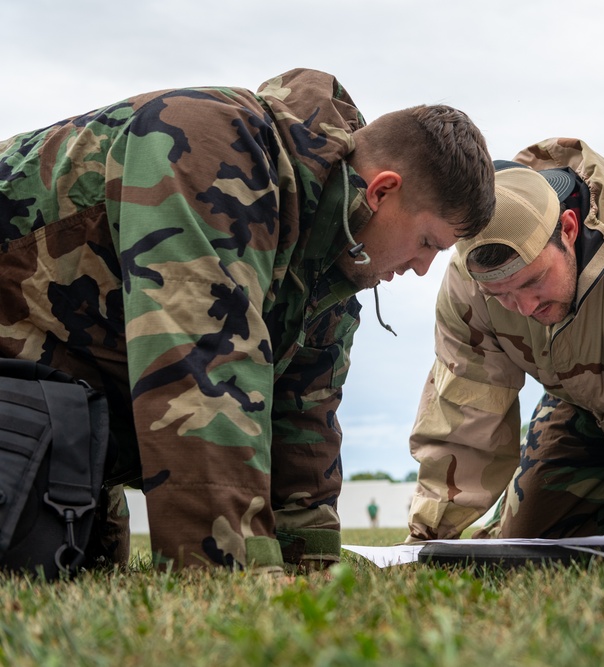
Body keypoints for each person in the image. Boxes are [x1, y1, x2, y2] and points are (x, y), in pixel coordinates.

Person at [0, 68, 494, 572]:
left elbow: (304, 414)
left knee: (77, 554)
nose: (421, 268)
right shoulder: (209, 145)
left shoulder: (333, 259)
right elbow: (200, 364)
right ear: (382, 192)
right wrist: (239, 576)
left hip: (63, 399)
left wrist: (313, 566)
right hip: (25, 381)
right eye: (428, 242)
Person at [408, 138, 604, 541]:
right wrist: (427, 538)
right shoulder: (467, 284)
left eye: (533, 281)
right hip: (584, 407)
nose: (523, 306)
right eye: (500, 296)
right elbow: (464, 412)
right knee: (524, 543)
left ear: (569, 229)